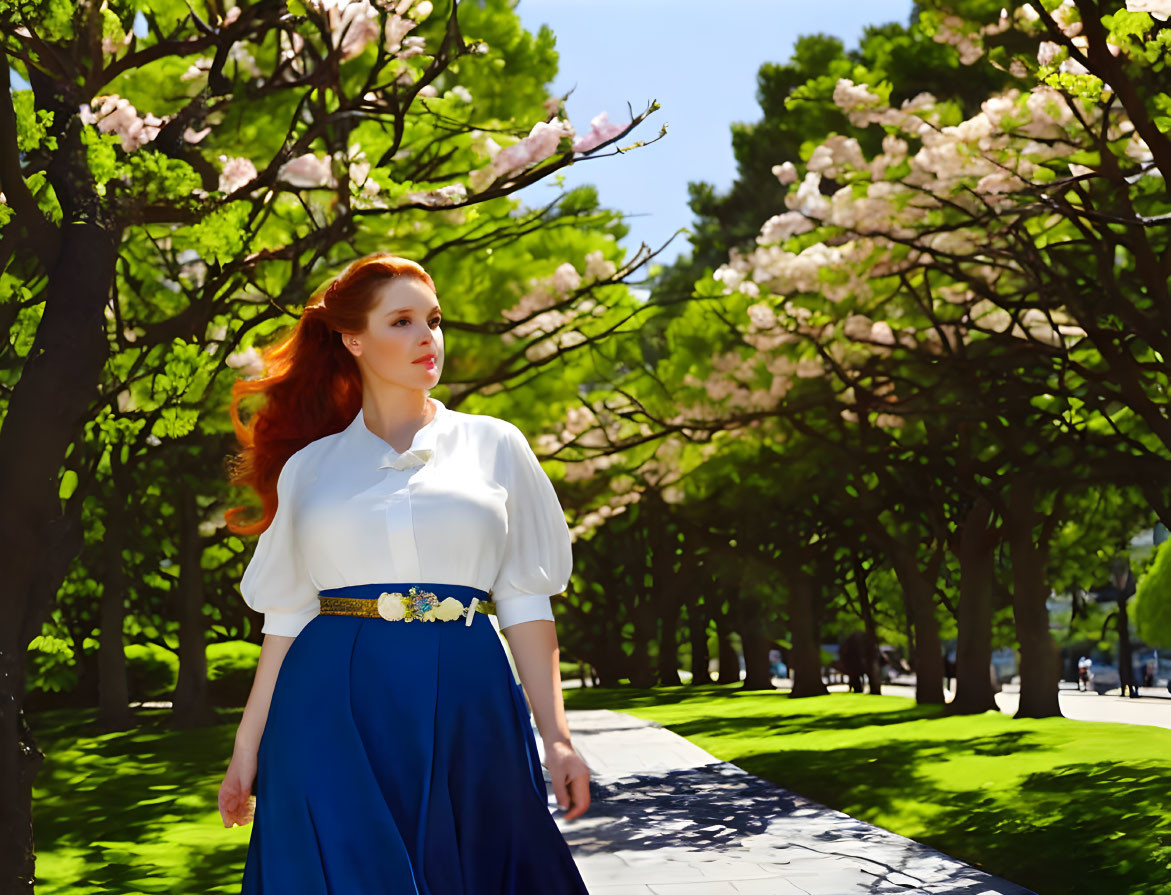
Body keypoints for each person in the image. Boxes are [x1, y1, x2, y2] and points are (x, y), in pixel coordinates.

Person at [217, 253, 592, 893]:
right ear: (353, 339)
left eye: (434, 319)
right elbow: (285, 619)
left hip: (471, 696)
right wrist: (246, 747)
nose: (428, 338)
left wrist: (557, 739)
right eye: (402, 321)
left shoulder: (496, 444)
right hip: (328, 703)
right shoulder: (309, 468)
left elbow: (525, 602)